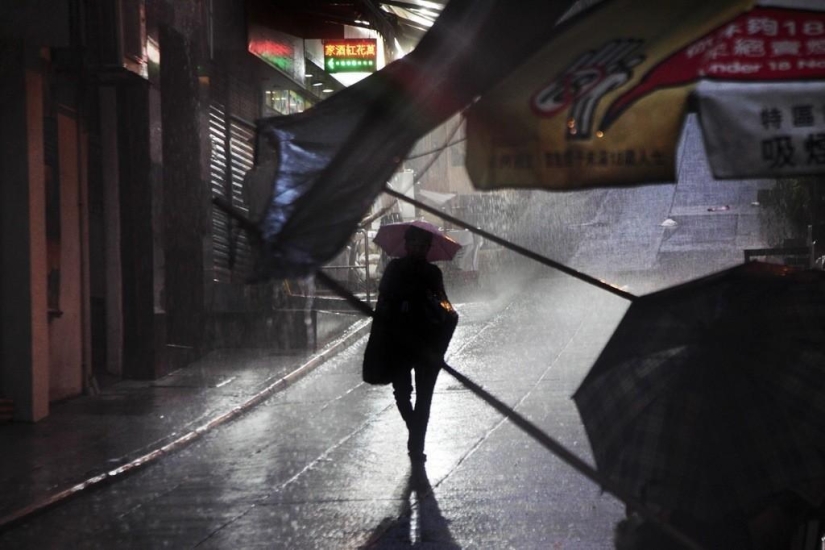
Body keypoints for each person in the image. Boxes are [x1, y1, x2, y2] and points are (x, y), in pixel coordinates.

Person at [374, 225, 457, 464]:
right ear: (407, 245)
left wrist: (444, 327)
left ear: (429, 248)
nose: (419, 249)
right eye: (415, 245)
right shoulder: (394, 269)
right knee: (401, 393)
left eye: (424, 246)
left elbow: (444, 306)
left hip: (427, 344)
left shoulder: (433, 274)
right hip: (399, 343)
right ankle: (415, 430)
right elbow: (384, 303)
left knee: (424, 398)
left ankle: (416, 444)